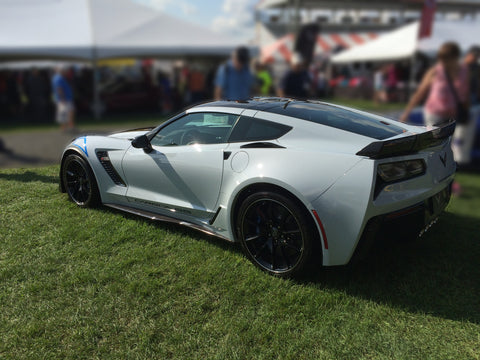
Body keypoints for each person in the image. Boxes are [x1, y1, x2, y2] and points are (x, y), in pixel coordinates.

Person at [400, 42, 469, 195]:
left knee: (448, 148)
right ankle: (429, 178)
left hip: (452, 116)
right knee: (434, 147)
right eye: (441, 57)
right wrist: (406, 112)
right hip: (434, 113)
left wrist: (466, 112)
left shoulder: (463, 71)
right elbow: (420, 93)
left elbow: (464, 95)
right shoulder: (435, 71)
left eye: (446, 58)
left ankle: (443, 178)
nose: (443, 61)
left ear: (455, 57)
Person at [51, 66, 75, 131]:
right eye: (64, 71)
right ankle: (66, 127)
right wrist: (62, 98)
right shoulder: (59, 78)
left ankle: (68, 126)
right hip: (64, 99)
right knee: (65, 113)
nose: (66, 72)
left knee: (67, 112)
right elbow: (59, 89)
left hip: (65, 99)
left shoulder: (59, 78)